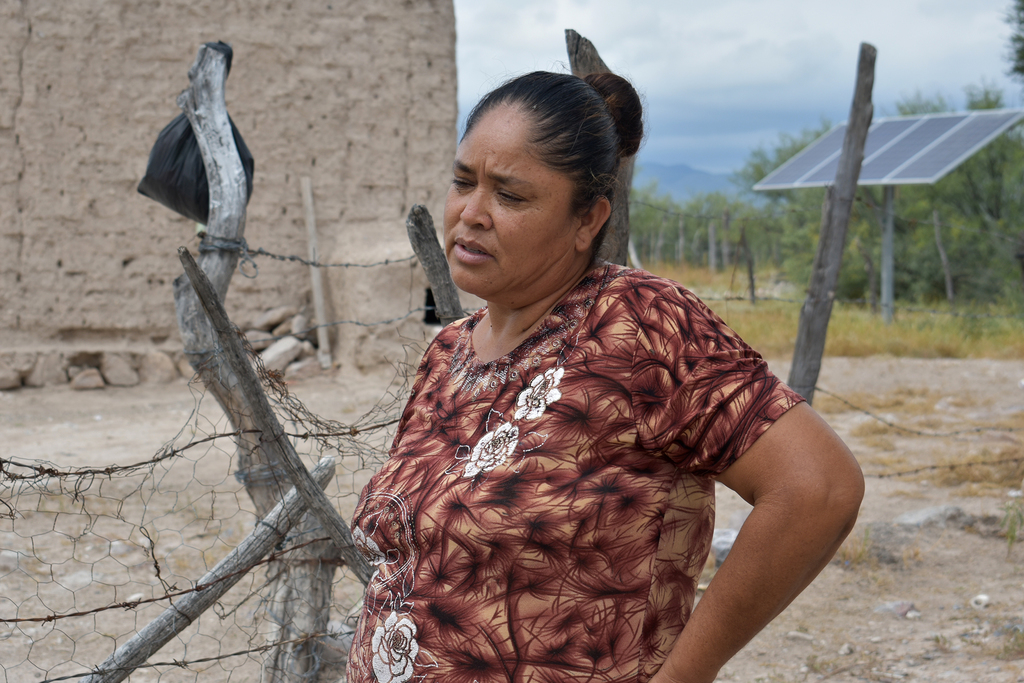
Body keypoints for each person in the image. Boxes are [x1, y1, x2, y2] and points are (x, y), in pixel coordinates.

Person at [346, 71, 864, 683]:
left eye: (510, 195)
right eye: (463, 182)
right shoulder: (448, 351)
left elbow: (818, 488)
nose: (471, 213)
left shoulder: (636, 326)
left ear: (587, 221)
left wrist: (683, 676)